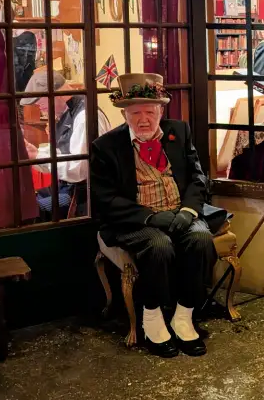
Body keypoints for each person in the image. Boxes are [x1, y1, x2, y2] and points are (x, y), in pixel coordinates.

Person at [90, 73, 216, 358]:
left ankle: (184, 316)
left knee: (201, 239)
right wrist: (149, 217)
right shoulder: (106, 147)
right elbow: (105, 199)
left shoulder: (179, 132)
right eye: (136, 113)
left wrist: (188, 210)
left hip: (178, 212)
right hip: (134, 221)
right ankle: (152, 316)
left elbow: (198, 178)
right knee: (159, 245)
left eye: (150, 111)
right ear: (124, 113)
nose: (144, 119)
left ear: (161, 110)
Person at [26, 93, 112, 218]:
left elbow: (80, 170)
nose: (39, 106)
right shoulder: (69, 112)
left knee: (32, 210)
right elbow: (63, 153)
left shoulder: (84, 117)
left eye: (40, 100)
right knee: (27, 200)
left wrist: (37, 156)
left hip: (83, 193)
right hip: (66, 186)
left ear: (54, 92)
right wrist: (36, 154)